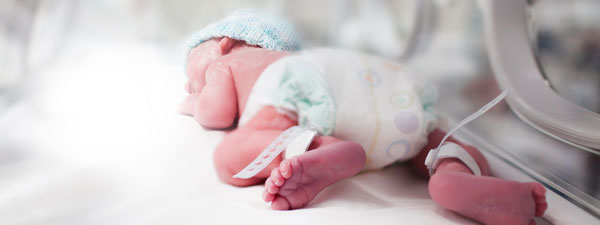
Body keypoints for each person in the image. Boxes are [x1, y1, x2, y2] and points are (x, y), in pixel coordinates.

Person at [178, 9, 547, 225]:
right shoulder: (324, 61)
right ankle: (456, 172)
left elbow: (216, 110)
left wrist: (195, 101)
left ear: (223, 42)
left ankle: (316, 144)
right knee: (435, 137)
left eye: (191, 66)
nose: (189, 79)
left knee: (228, 157)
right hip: (390, 85)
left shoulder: (237, 62)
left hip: (312, 96)